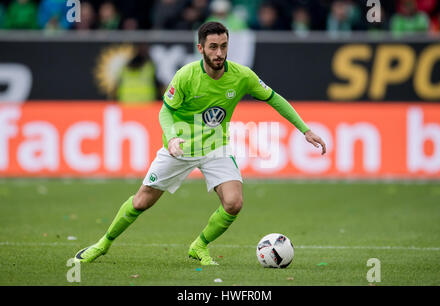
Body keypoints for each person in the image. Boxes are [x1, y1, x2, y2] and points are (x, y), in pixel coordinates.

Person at [74, 21, 326, 266]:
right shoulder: (186, 75)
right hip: (180, 146)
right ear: (201, 48)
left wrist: (304, 129)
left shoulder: (242, 76)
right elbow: (165, 111)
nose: (219, 53)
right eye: (213, 47)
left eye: (224, 46)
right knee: (141, 201)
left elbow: (274, 98)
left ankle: (200, 245)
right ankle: (103, 244)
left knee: (234, 203)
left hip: (216, 146)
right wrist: (172, 138)